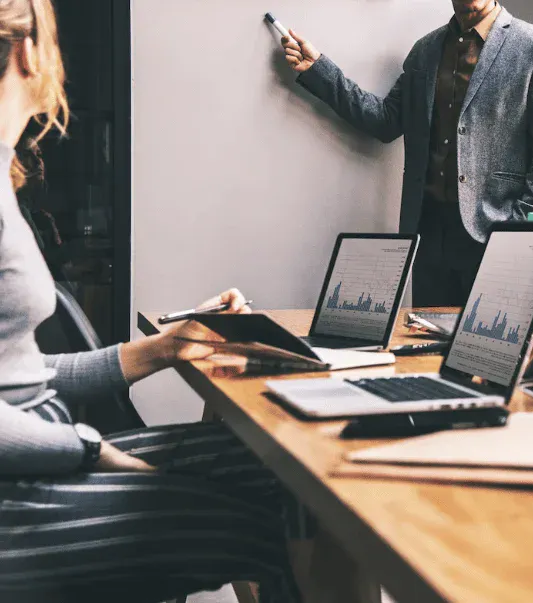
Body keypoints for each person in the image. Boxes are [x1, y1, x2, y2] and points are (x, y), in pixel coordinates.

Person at [0, 1, 307, 601]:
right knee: (272, 523)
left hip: (40, 454)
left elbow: (16, 378)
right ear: (29, 51)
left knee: (289, 464)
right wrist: (94, 453)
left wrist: (169, 348)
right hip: (19, 493)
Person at [282, 0, 533, 307]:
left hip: (495, 235)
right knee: (428, 347)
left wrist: (521, 227)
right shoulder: (426, 50)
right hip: (428, 237)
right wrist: (319, 70)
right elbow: (385, 121)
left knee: (491, 349)